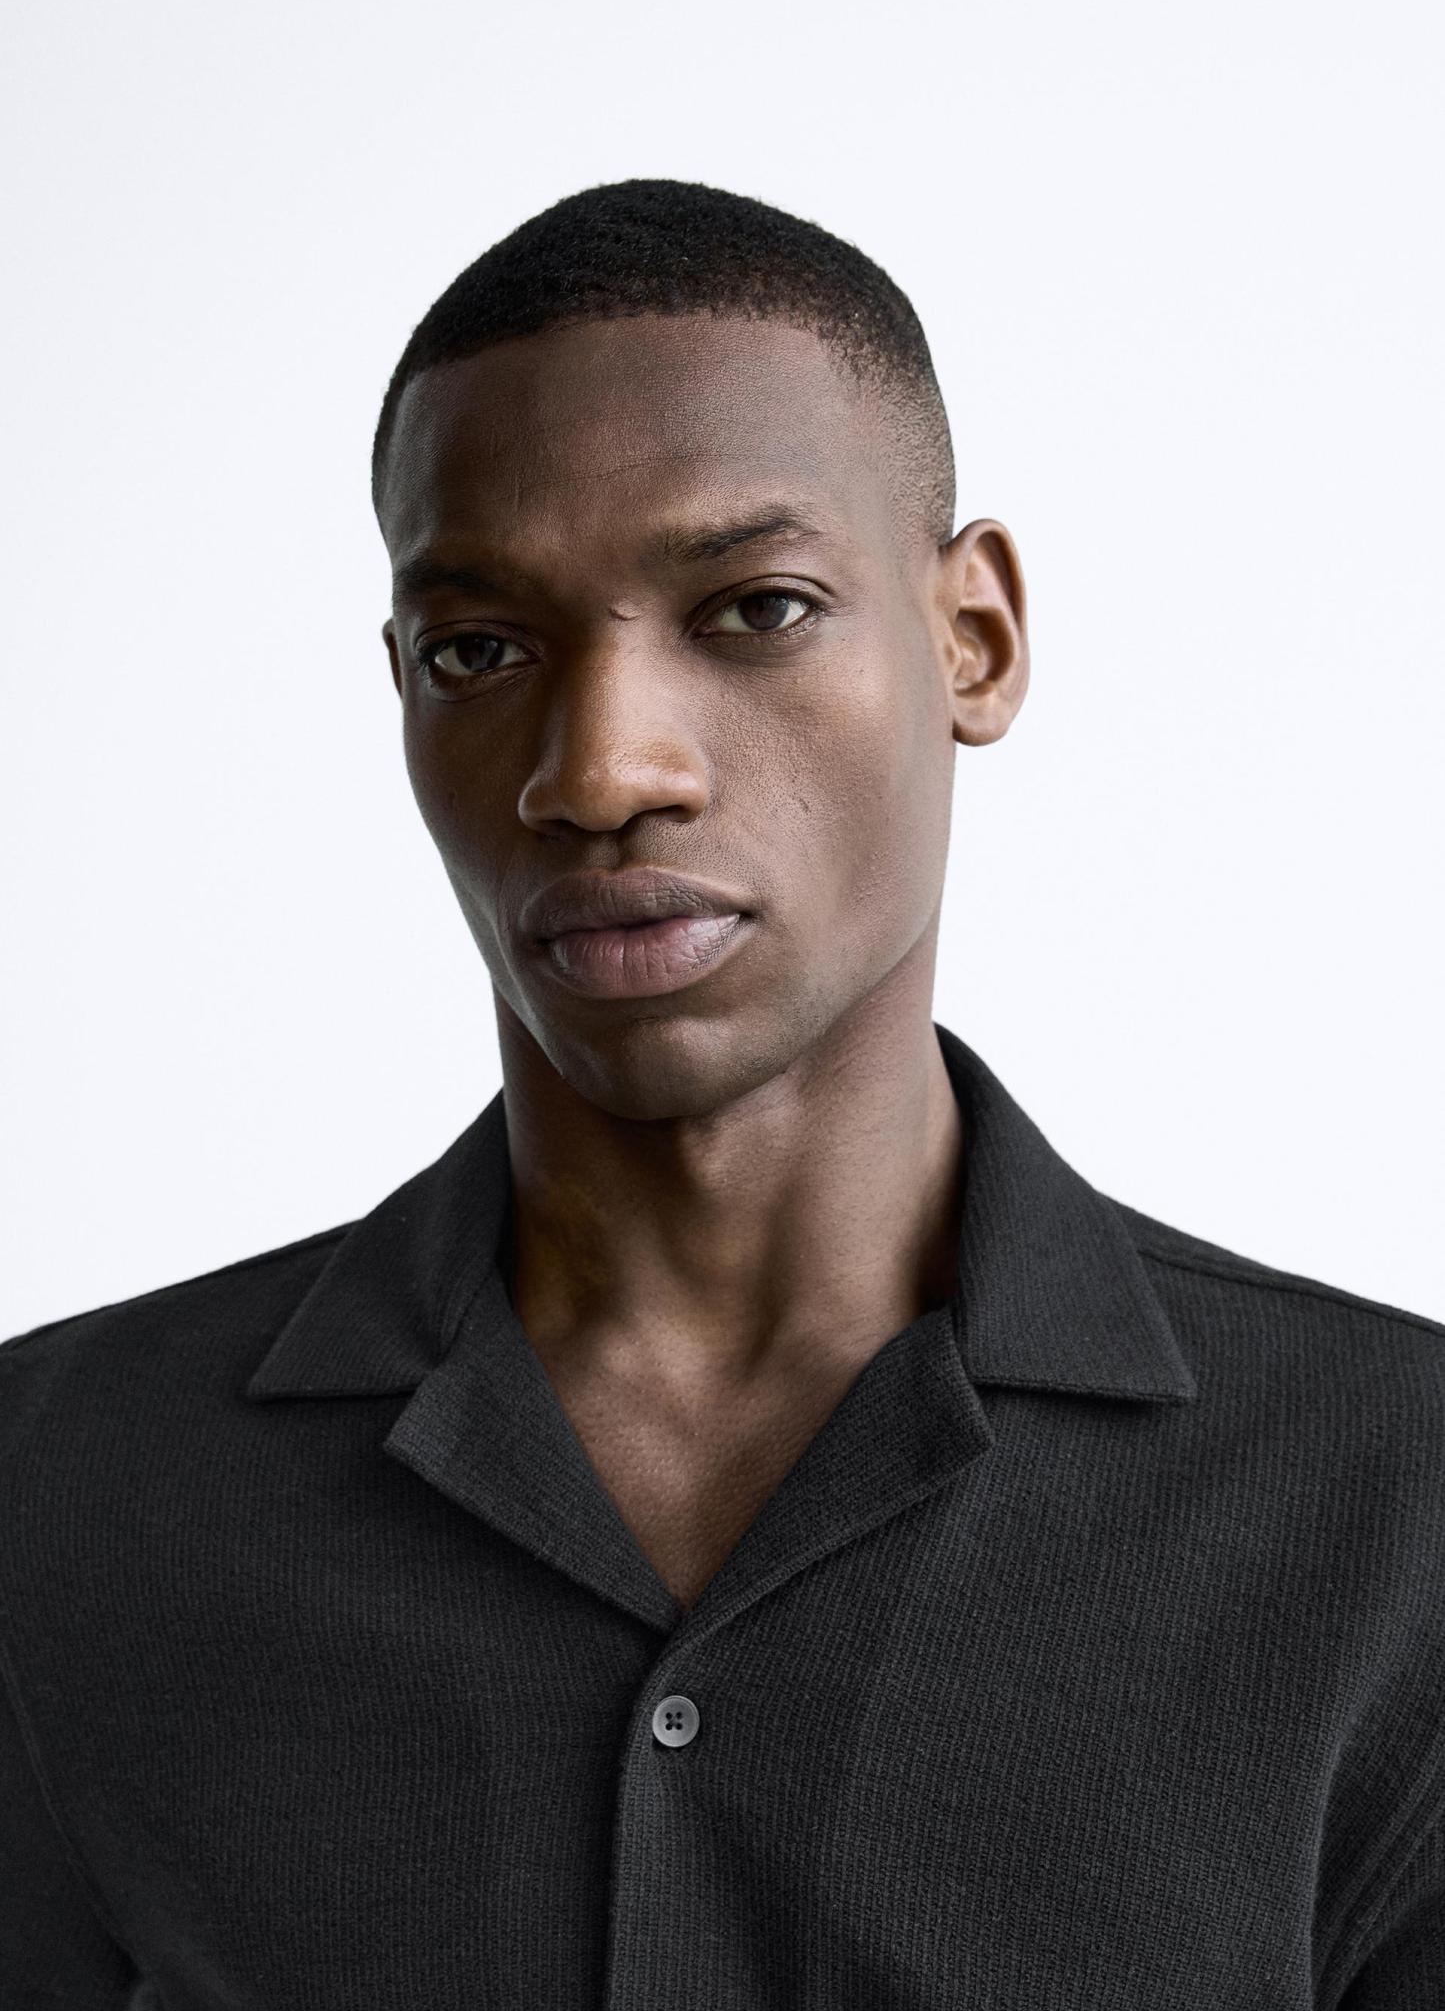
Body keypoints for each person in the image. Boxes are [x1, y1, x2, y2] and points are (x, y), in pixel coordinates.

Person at [2, 179, 1441, 2009]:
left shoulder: (1393, 1509)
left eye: (755, 607)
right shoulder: (55, 1496)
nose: (603, 769)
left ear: (974, 638)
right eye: (479, 650)